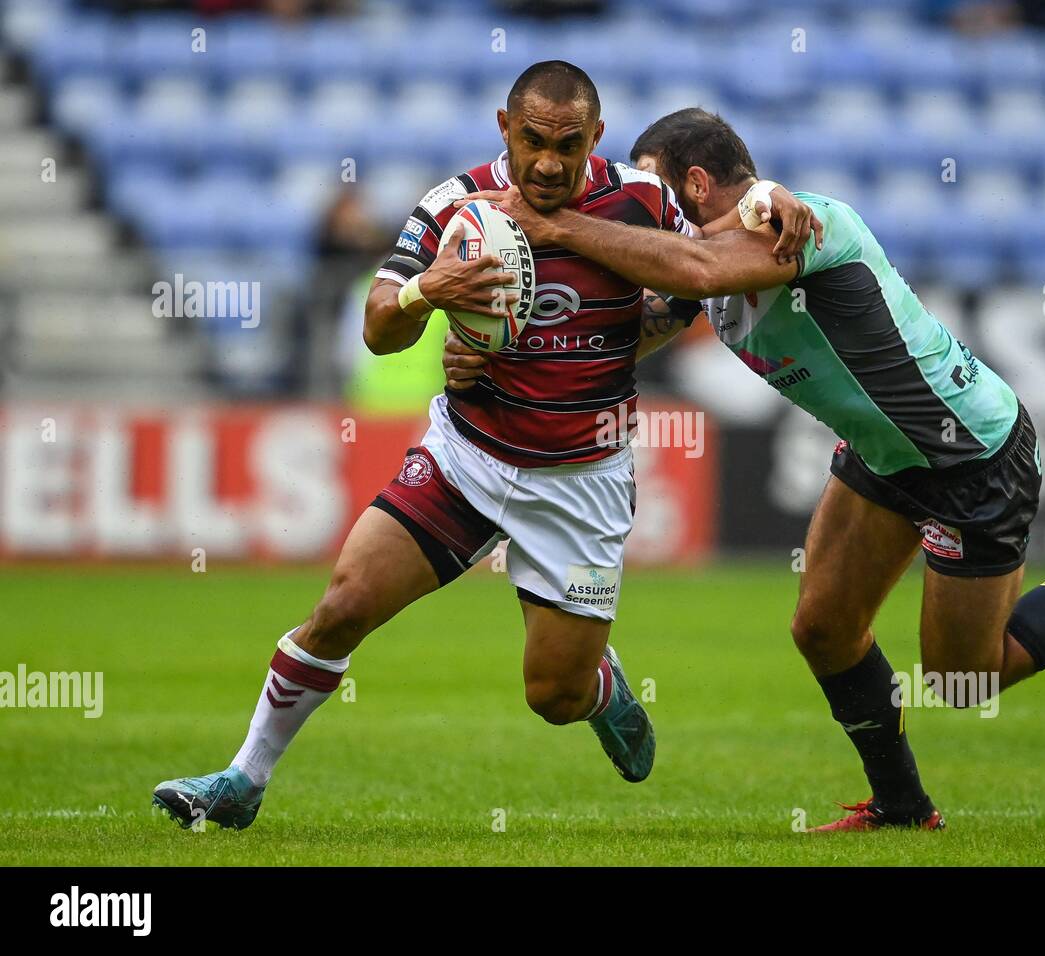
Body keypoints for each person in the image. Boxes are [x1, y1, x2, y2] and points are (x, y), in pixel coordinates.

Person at [446, 107, 1045, 832]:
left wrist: (558, 231)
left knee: (966, 680)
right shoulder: (711, 256)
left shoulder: (794, 223)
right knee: (822, 627)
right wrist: (493, 346)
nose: (639, 209)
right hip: (883, 456)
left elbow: (701, 262)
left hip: (969, 455)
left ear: (695, 182)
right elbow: (635, 328)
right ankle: (902, 807)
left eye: (654, 189)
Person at [149, 64, 820, 830]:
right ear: (505, 127)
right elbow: (377, 323)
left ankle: (599, 687)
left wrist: (772, 198)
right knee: (342, 605)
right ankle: (242, 780)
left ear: (594, 139)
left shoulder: (640, 200)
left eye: (567, 146)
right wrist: (425, 292)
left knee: (553, 696)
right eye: (532, 140)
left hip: (582, 478)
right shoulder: (453, 205)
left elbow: (721, 242)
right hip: (467, 456)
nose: (546, 162)